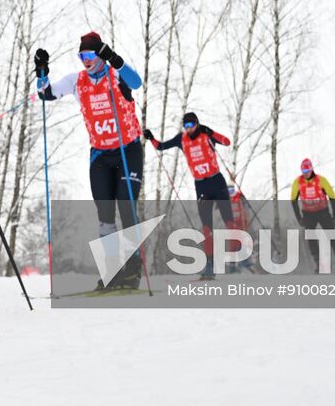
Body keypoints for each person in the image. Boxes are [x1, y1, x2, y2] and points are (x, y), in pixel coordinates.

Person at [34, 32, 144, 291]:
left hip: (128, 150)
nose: (86, 60)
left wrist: (114, 59)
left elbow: (136, 82)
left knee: (127, 208)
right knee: (105, 215)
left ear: (101, 55)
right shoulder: (77, 80)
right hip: (100, 155)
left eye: (91, 55)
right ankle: (111, 271)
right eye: (82, 56)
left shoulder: (115, 74)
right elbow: (46, 94)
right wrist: (41, 72)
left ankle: (133, 270)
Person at [145, 111, 237, 279]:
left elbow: (227, 142)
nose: (188, 128)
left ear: (197, 123)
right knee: (206, 227)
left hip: (217, 181)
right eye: (185, 125)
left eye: (191, 125)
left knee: (229, 221)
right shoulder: (181, 139)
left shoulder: (205, 134)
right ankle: (209, 266)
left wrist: (212, 132)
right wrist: (150, 137)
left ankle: (236, 257)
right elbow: (161, 146)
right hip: (201, 185)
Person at [290, 157, 335, 273]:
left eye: (307, 171)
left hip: (322, 212)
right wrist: (299, 218)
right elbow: (293, 201)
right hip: (308, 214)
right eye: (303, 172)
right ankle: (319, 263)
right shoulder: (297, 182)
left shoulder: (321, 180)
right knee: (311, 237)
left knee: (332, 239)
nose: (305, 174)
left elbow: (332, 197)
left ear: (311, 169)